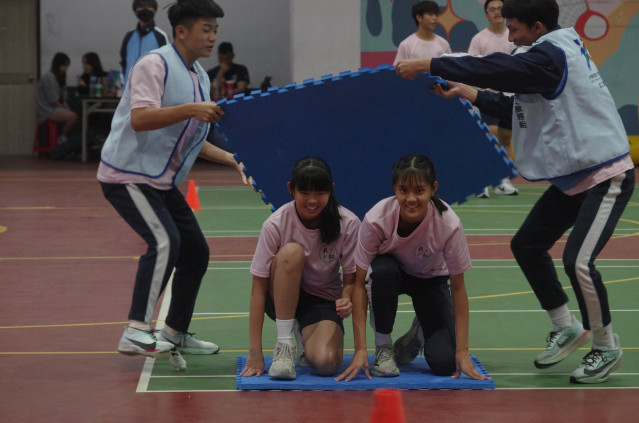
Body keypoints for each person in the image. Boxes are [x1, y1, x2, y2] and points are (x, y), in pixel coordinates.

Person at [395, 0, 635, 384]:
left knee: (578, 261)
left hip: (606, 175)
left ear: (538, 26)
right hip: (575, 178)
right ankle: (565, 325)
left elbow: (496, 69)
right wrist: (468, 92)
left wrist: (431, 64)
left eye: (515, 28)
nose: (509, 35)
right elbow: (518, 109)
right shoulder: (545, 56)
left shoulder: (551, 56)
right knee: (526, 244)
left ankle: (606, 346)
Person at [98, 0, 249, 362]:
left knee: (196, 251)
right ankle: (135, 330)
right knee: (165, 241)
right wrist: (193, 109)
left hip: (160, 181)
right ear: (181, 31)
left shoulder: (199, 76)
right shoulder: (154, 65)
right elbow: (141, 118)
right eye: (206, 29)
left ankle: (174, 333)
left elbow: (192, 137)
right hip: (127, 174)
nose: (212, 37)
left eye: (215, 30)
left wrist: (233, 160)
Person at [336, 155, 490, 382]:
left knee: (445, 364)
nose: (410, 199)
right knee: (383, 271)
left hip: (431, 280)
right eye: (403, 190)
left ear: (433, 188)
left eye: (419, 190)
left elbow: (458, 288)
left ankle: (417, 334)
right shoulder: (376, 219)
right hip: (390, 275)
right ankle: (384, 347)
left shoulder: (448, 224)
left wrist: (462, 352)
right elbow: (358, 285)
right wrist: (360, 349)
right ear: (394, 188)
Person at [240, 157, 363, 380]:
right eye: (304, 192)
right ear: (291, 189)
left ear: (331, 189)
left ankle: (300, 331)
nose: (312, 200)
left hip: (322, 298)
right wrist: (255, 351)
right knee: (291, 253)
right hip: (278, 296)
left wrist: (346, 298)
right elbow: (258, 289)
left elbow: (351, 280)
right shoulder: (276, 224)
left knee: (327, 363)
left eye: (320, 193)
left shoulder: (349, 223)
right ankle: (284, 345)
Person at [468, 0, 518, 196]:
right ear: (486, 14)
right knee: (492, 134)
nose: (497, 12)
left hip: (511, 95)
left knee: (506, 137)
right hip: (488, 96)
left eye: (500, 9)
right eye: (492, 9)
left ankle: (503, 181)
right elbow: (471, 65)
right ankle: (483, 181)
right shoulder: (479, 39)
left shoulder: (514, 36)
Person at [120, 0, 170, 87]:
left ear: (154, 11)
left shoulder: (161, 36)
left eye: (149, 7)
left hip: (152, 91)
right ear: (135, 11)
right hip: (129, 91)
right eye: (141, 7)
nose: (145, 10)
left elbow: (167, 65)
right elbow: (123, 62)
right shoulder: (129, 36)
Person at [36, 52, 78, 143]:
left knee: (75, 115)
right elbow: (53, 101)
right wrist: (65, 109)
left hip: (55, 107)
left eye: (66, 66)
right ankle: (62, 137)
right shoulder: (49, 77)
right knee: (73, 117)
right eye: (63, 66)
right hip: (47, 109)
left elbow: (63, 98)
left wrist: (66, 108)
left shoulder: (59, 77)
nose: (65, 68)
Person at [393, 1, 451, 66]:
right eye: (430, 14)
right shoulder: (406, 45)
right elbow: (398, 69)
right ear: (419, 17)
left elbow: (450, 68)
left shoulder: (444, 44)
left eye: (436, 15)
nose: (435, 18)